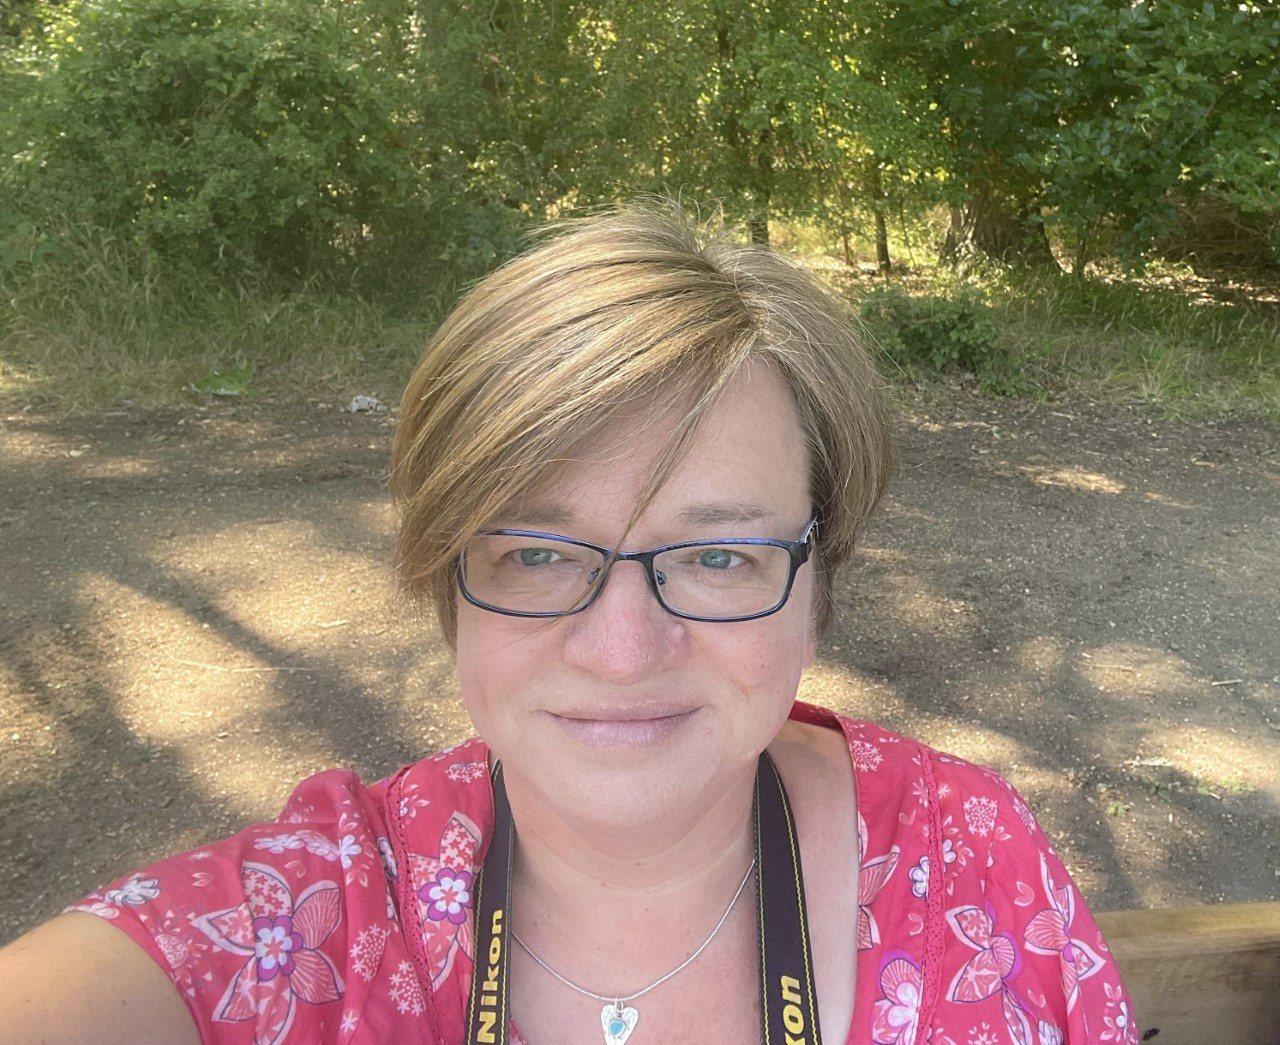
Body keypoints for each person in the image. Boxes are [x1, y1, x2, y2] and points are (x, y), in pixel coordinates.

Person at [0, 201, 1135, 1045]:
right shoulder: (311, 918)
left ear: (815, 585)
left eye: (718, 555)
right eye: (537, 554)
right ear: (445, 581)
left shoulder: (970, 859)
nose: (621, 650)